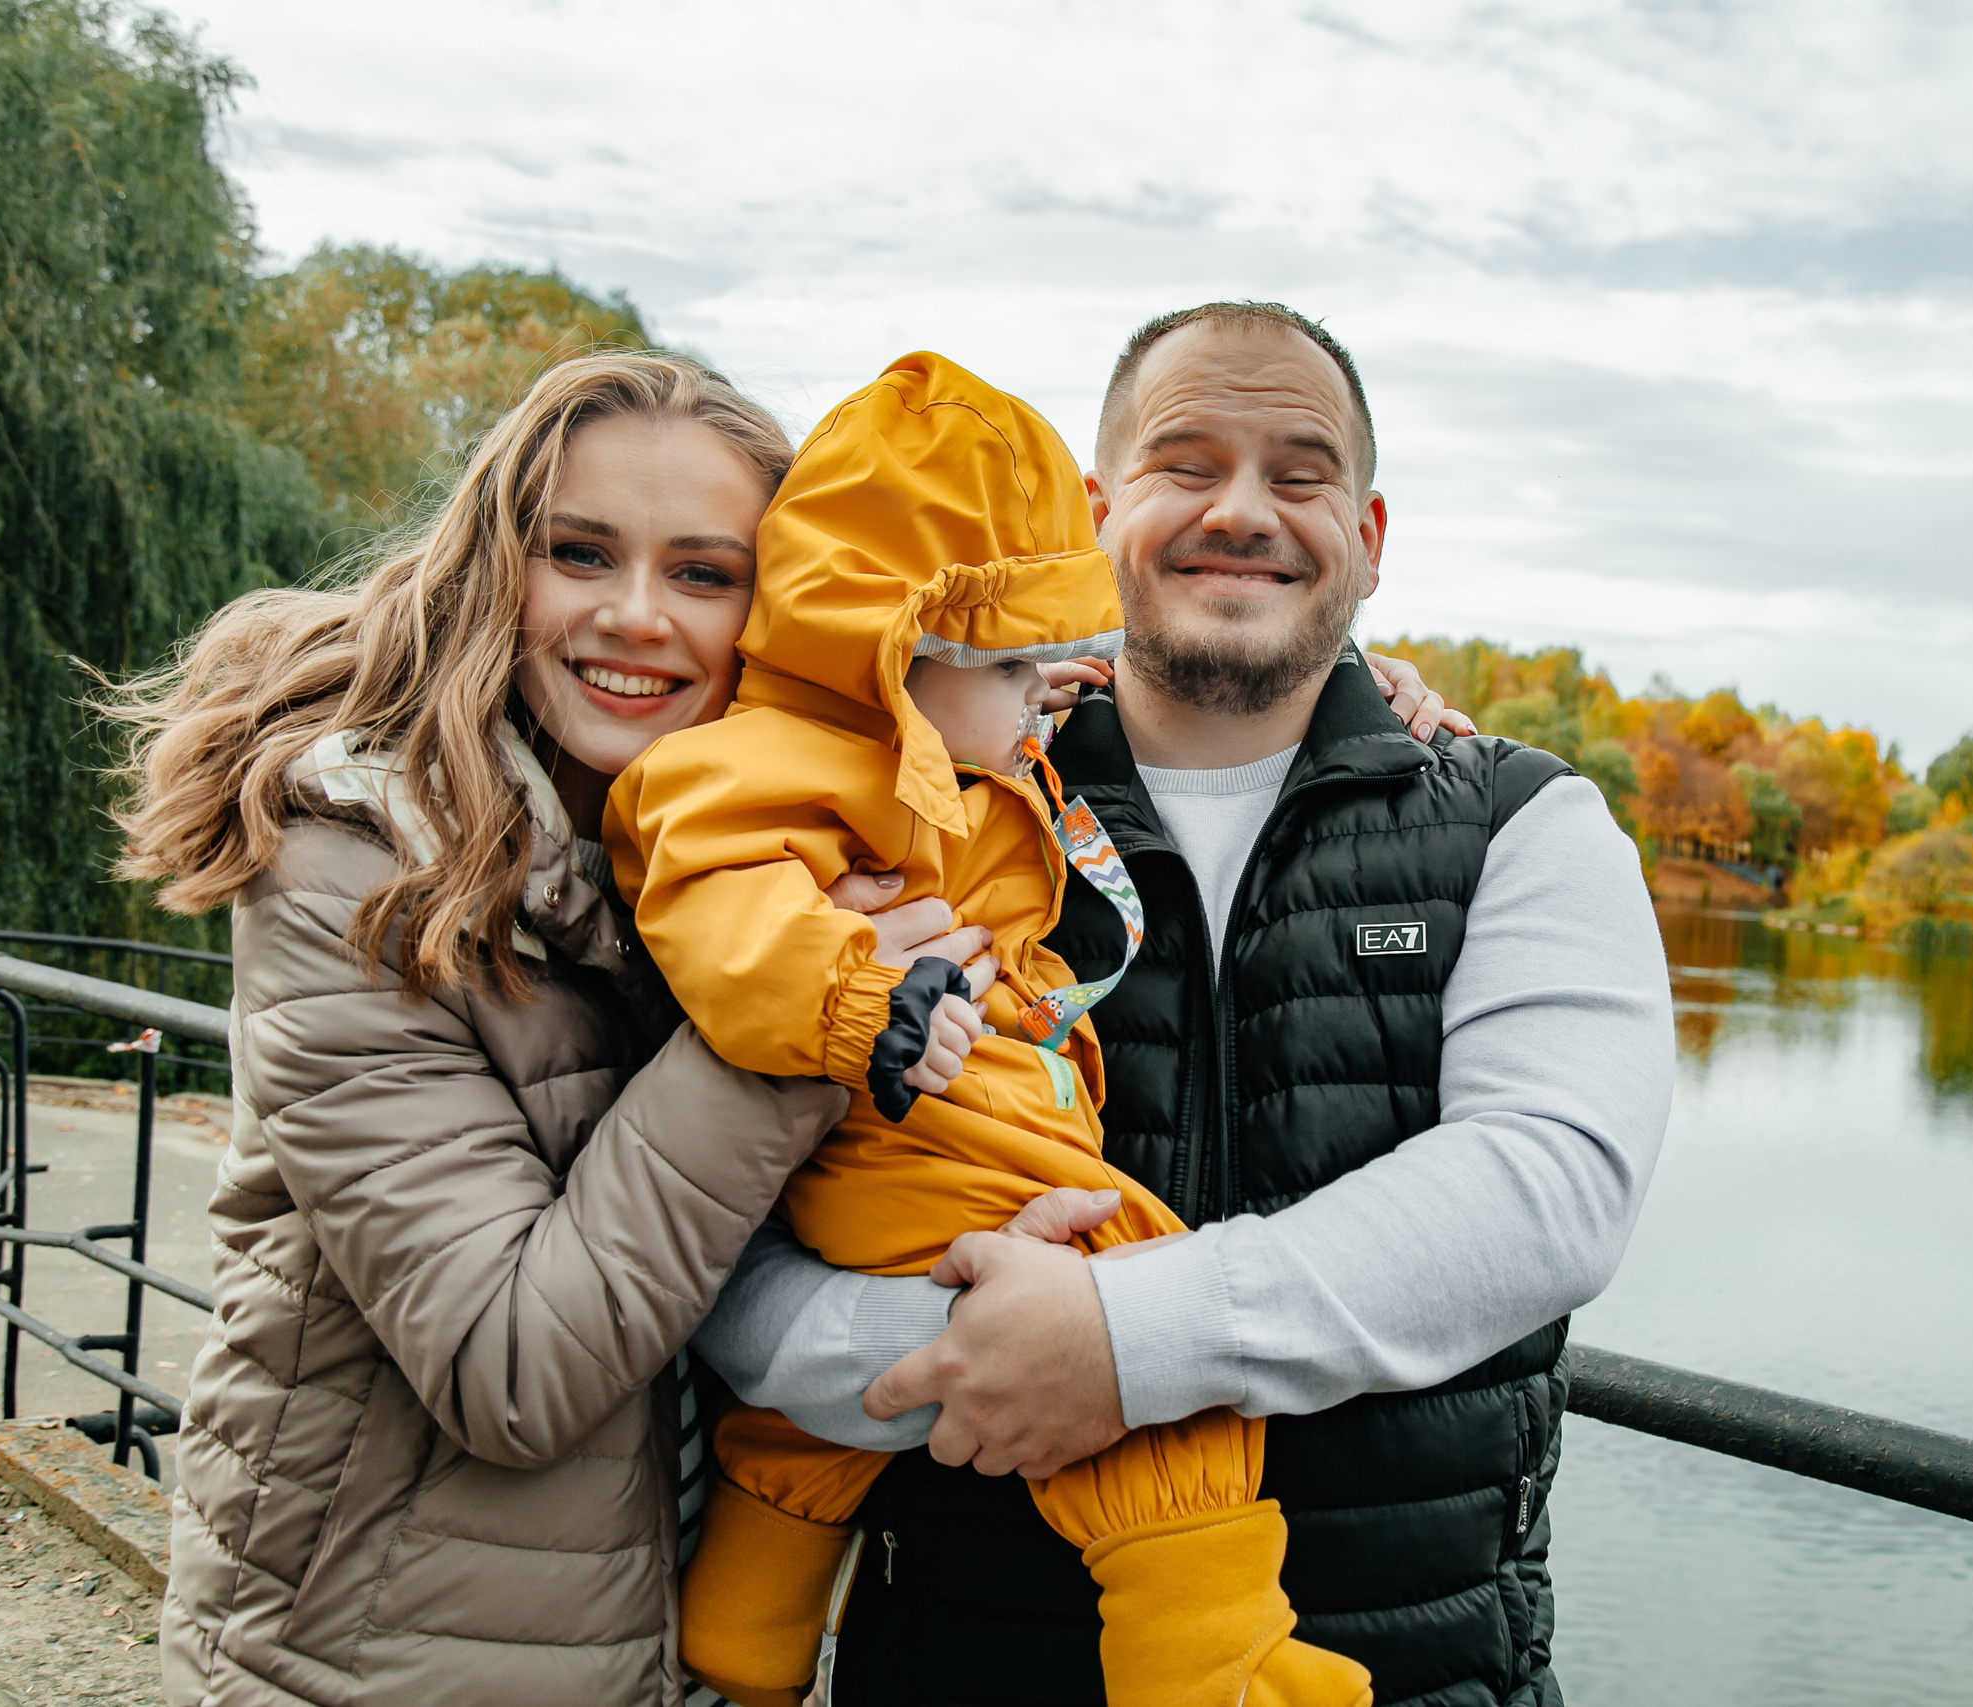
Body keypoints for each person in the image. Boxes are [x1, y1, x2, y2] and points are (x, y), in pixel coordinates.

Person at [696, 303, 1678, 1707]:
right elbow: (714, 1231)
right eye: (1186, 461)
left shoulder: (1527, 824)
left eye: (1299, 473)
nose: (1242, 511)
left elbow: (1549, 1189)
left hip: (1404, 1675)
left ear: (1371, 535)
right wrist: (933, 1351)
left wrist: (1119, 1344)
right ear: (1098, 515)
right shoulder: (908, 807)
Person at [104, 352, 948, 1707]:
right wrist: (795, 1015)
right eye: (581, 553)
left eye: (703, 573)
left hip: (666, 1638)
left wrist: (1374, 722)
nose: (636, 617)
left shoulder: (730, 847)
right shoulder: (354, 871)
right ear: (499, 566)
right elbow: (510, 1366)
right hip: (378, 1656)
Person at [609, 352, 1372, 1707]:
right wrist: (865, 999)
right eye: (1015, 662)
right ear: (898, 646)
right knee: (1151, 1316)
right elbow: (719, 909)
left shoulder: (950, 755)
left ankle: (750, 1611)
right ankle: (1204, 1655)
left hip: (910, 1139)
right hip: (927, 1133)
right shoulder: (755, 770)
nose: (1043, 695)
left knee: (806, 1429)